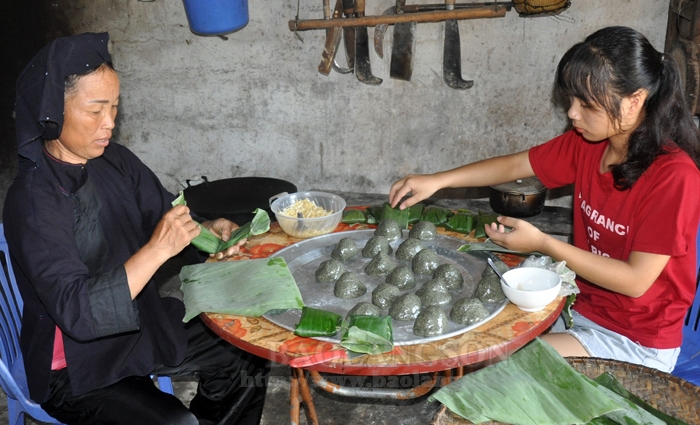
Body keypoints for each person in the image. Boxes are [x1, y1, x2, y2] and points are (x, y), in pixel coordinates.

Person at [389, 26, 700, 373]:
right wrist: (438, 181)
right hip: (577, 309)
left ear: (634, 101)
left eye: (587, 104)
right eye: (571, 100)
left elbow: (635, 280)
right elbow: (517, 164)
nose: (572, 113)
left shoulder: (674, 176)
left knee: (498, 364)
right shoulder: (589, 143)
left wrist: (542, 243)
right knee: (476, 338)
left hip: (635, 339)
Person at [3, 32, 269, 424]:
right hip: (76, 368)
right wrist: (157, 249)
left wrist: (208, 231)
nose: (109, 122)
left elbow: (162, 214)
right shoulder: (33, 201)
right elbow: (77, 312)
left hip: (138, 324)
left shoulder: (114, 161)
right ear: (52, 112)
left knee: (245, 350)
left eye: (114, 106)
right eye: (95, 110)